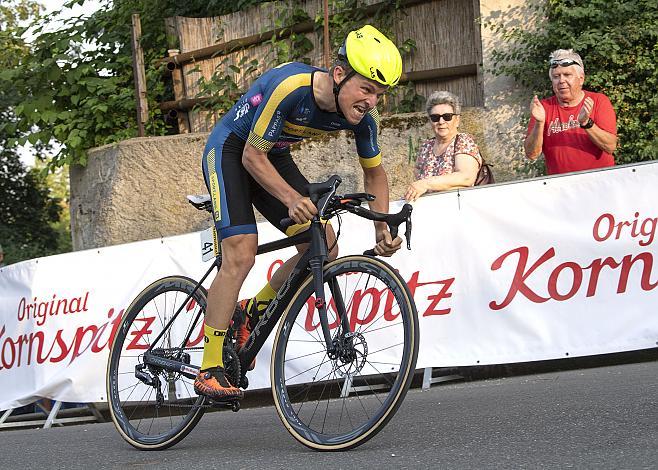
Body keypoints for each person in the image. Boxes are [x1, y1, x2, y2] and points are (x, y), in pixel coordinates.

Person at [196, 25, 404, 401]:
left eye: (380, 94)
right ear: (339, 75)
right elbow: (250, 156)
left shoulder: (361, 117)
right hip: (231, 150)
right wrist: (292, 199)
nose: (372, 101)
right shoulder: (292, 87)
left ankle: (250, 313)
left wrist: (381, 227)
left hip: (271, 155)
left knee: (322, 244)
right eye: (367, 89)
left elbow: (374, 173)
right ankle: (209, 366)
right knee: (241, 252)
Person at [524, 49, 617, 175]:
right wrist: (539, 123)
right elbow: (531, 154)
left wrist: (586, 123)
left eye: (567, 75)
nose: (561, 80)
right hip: (562, 187)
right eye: (556, 76)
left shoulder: (599, 101)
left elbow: (610, 146)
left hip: (599, 182)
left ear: (581, 79)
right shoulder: (543, 108)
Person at [404, 91, 482, 202]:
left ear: (457, 120)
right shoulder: (426, 147)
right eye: (435, 117)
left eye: (447, 117)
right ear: (430, 121)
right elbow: (418, 179)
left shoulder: (463, 142)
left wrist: (426, 184)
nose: (441, 121)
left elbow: (466, 177)